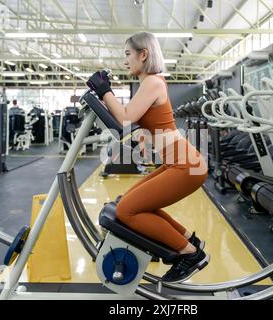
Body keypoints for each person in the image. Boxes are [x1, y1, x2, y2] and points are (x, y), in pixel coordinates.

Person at [86, 31, 209, 284]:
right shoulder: (150, 84)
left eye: (128, 54)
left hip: (185, 165)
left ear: (144, 54)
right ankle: (189, 239)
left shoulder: (153, 82)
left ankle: (190, 253)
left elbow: (125, 117)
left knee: (128, 210)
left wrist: (105, 90)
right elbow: (134, 120)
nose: (125, 61)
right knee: (128, 202)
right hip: (177, 163)